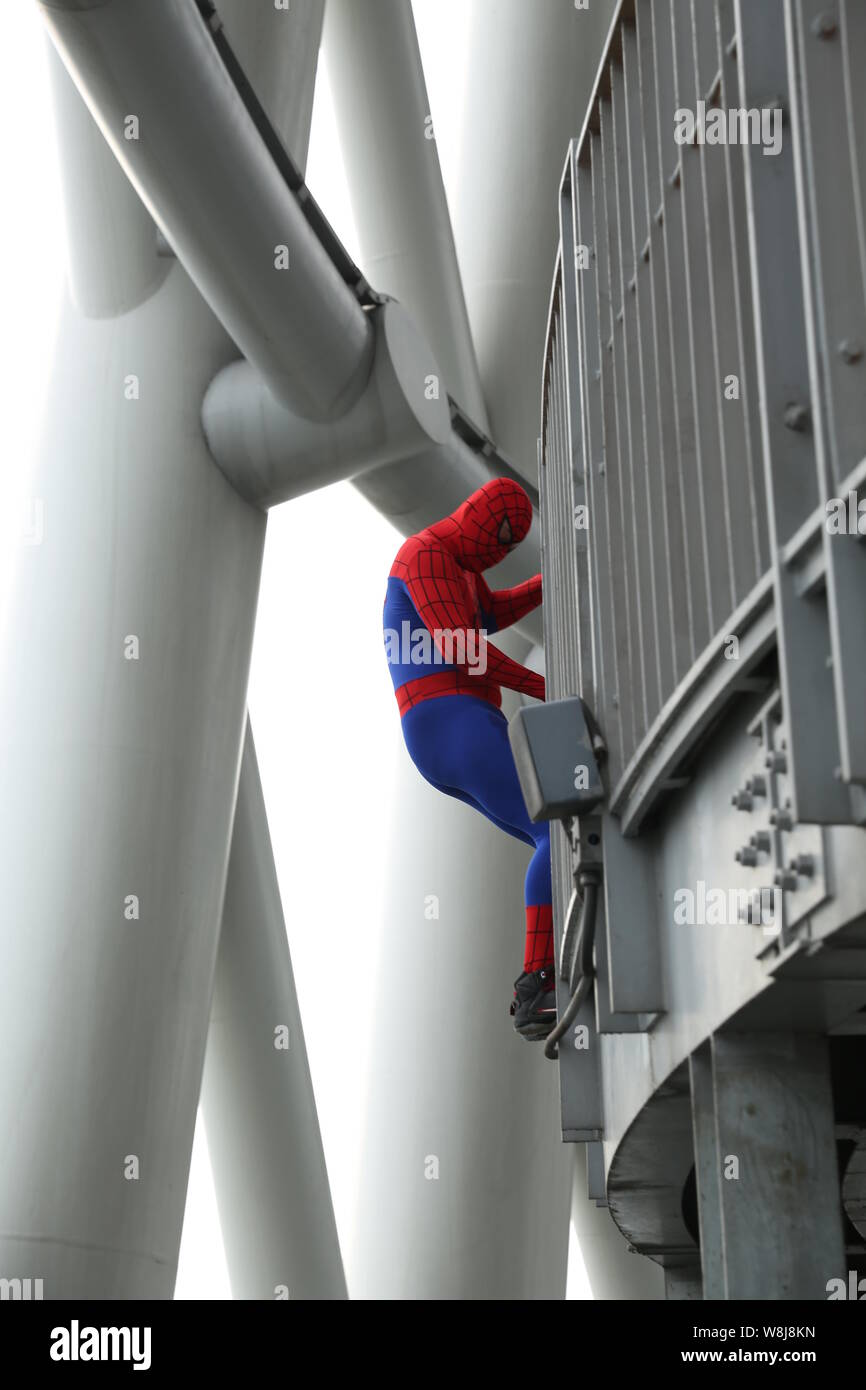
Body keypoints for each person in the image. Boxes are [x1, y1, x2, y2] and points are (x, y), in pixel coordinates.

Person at [382, 476, 556, 1040]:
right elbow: (463, 645)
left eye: (510, 546)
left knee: (552, 834)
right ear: (479, 514)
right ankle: (536, 980)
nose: (500, 551)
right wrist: (538, 683)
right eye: (502, 535)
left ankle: (542, 974)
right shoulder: (425, 555)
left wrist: (552, 577)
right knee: (554, 830)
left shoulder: (459, 569)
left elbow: (491, 614)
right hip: (449, 717)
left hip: (456, 724)